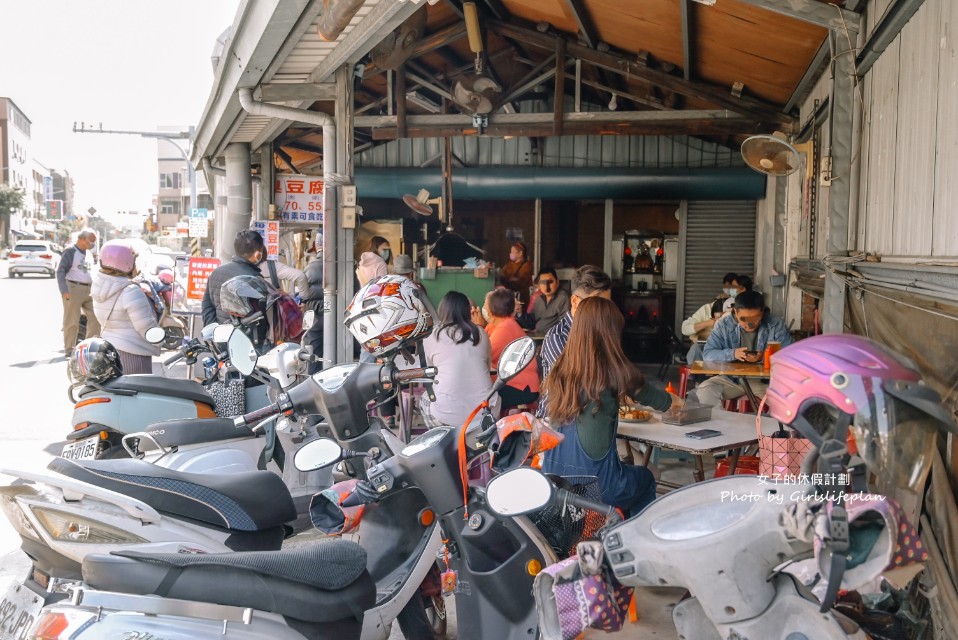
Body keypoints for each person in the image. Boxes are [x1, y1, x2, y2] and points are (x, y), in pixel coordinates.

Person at [540, 296, 678, 516]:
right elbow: (659, 400)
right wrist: (678, 402)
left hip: (554, 483)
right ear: (609, 334)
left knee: (625, 465)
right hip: (599, 488)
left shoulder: (559, 372)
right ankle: (631, 542)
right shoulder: (615, 372)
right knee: (646, 479)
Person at [695, 290, 792, 407]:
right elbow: (708, 354)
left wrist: (763, 358)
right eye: (743, 319)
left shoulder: (775, 324)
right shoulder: (724, 324)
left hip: (765, 382)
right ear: (735, 312)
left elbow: (789, 356)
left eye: (755, 318)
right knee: (705, 390)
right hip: (732, 380)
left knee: (788, 402)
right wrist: (733, 354)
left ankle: (771, 425)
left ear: (763, 312)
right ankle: (718, 425)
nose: (749, 324)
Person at [420, 291, 499, 428]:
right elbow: (486, 367)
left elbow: (432, 371)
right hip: (486, 412)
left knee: (425, 399)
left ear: (442, 311)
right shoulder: (480, 333)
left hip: (447, 415)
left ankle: (442, 441)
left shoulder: (432, 336)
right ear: (467, 311)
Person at [91, 241, 160, 374]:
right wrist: (160, 339)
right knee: (139, 393)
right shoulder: (131, 290)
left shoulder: (98, 286)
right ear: (127, 262)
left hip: (109, 351)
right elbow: (146, 327)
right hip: (133, 354)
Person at [539, 264, 613, 381]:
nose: (603, 312)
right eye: (596, 305)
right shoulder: (557, 338)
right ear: (574, 301)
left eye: (607, 305)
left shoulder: (601, 330)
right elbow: (578, 384)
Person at [484, 288, 540, 411]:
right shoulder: (502, 324)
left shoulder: (505, 328)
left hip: (522, 387)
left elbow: (483, 356)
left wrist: (477, 327)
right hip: (515, 383)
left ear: (490, 309)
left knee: (484, 399)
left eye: (485, 305)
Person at [202, 229, 268, 327]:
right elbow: (261, 315)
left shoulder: (216, 273)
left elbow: (207, 307)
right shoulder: (254, 278)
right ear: (257, 254)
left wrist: (215, 335)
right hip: (247, 339)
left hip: (221, 337)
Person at [56, 229, 101, 353]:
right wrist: (64, 290)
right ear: (82, 239)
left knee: (96, 318)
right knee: (72, 320)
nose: (92, 245)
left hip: (89, 289)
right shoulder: (70, 251)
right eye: (90, 242)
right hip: (73, 288)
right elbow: (61, 271)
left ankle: (89, 347)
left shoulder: (88, 254)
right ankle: (69, 349)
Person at [681, 272, 737, 363]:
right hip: (706, 348)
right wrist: (708, 323)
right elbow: (685, 329)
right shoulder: (707, 308)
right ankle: (694, 376)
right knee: (696, 349)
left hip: (730, 350)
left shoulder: (739, 310)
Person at [520, 267, 570, 335]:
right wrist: (519, 313)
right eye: (543, 283)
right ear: (539, 285)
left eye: (550, 282)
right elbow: (531, 324)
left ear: (557, 282)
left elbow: (565, 325)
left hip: (552, 340)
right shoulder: (539, 299)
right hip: (537, 338)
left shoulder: (563, 298)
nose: (546, 286)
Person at [301, 235, 325, 375]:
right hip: (336, 316)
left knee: (313, 354)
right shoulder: (342, 266)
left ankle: (313, 384)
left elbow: (304, 294)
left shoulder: (310, 268)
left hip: (314, 317)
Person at [499, 241, 533, 305]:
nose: (510, 254)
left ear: (520, 253)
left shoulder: (527, 265)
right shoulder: (509, 264)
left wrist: (509, 280)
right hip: (508, 295)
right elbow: (502, 276)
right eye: (510, 252)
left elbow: (521, 281)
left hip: (521, 297)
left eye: (512, 252)